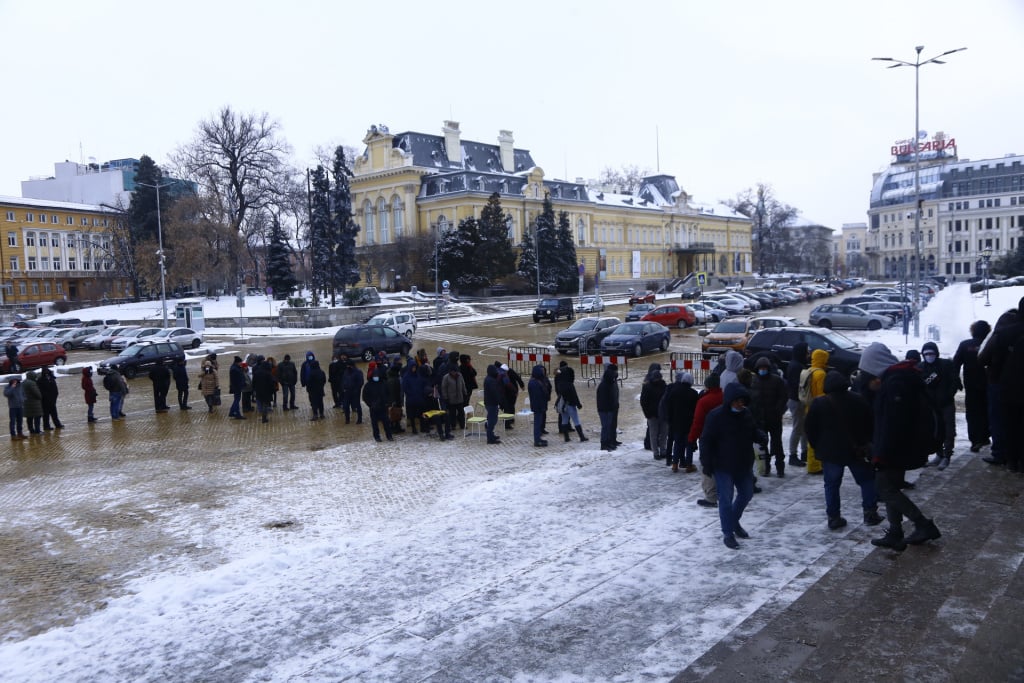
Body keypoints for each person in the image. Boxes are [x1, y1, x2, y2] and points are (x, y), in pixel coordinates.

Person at [857, 342, 942, 550]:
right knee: (891, 487)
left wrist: (880, 454)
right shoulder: (897, 378)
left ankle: (923, 524)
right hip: (901, 445)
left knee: (883, 488)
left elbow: (893, 423)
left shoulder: (895, 383)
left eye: (867, 374)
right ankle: (896, 532)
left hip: (897, 448)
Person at [805, 370, 884, 530]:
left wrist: (817, 446)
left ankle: (834, 517)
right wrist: (867, 443)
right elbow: (870, 424)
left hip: (830, 452)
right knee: (867, 481)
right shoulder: (858, 399)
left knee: (832, 485)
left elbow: (810, 428)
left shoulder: (819, 403)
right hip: (856, 450)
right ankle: (870, 513)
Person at [699, 382, 767, 549]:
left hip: (743, 464)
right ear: (729, 400)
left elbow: (753, 430)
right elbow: (706, 441)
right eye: (737, 401)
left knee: (746, 494)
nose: (740, 404)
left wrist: (760, 436)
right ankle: (728, 533)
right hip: (723, 465)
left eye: (742, 401)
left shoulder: (746, 414)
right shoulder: (715, 417)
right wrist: (706, 464)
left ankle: (733, 522)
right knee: (726, 499)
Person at [978, 299, 1024, 472]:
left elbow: (983, 358)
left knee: (1006, 423)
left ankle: (1008, 458)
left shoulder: (1004, 332)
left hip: (1005, 385)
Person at [918, 340, 960, 470]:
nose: (929, 356)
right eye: (926, 354)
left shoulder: (946, 365)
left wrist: (949, 395)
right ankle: (939, 453)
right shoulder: (920, 368)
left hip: (946, 403)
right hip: (931, 406)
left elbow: (955, 381)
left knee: (949, 430)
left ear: (936, 353)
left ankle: (947, 455)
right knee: (935, 431)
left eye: (931, 353)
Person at [952, 320, 991, 453]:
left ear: (973, 331)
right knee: (987, 410)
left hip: (971, 384)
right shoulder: (989, 344)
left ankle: (975, 440)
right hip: (988, 383)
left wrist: (956, 380)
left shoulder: (965, 345)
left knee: (973, 412)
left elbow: (955, 364)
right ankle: (985, 436)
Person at [749, 357, 788, 477]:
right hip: (761, 419)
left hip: (774, 418)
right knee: (763, 445)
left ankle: (780, 467)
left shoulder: (776, 381)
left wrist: (778, 410)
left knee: (777, 444)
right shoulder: (754, 381)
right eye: (760, 368)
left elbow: (783, 397)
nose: (762, 370)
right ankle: (766, 467)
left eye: (764, 368)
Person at [689, 373, 723, 506]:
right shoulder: (725, 397)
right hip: (724, 437)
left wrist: (692, 439)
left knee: (707, 466)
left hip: (707, 438)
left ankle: (711, 497)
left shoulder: (704, 401)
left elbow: (698, 422)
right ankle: (723, 491)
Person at [798, 349, 829, 475]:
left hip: (808, 407)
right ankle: (815, 465)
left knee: (811, 436)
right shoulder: (820, 374)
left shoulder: (809, 370)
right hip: (818, 409)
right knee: (817, 438)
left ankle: (813, 464)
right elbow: (821, 393)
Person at [661, 371, 698, 472]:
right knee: (689, 444)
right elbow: (696, 410)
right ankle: (689, 465)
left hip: (676, 423)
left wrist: (670, 419)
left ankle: (675, 464)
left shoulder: (674, 392)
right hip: (689, 423)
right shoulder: (693, 393)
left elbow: (669, 407)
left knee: (677, 443)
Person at [784, 342, 809, 468]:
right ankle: (793, 455)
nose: (808, 354)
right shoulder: (797, 366)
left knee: (803, 428)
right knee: (798, 428)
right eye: (806, 351)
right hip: (797, 400)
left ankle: (804, 452)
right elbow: (797, 385)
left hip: (796, 399)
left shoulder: (795, 364)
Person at [554, 361, 588, 443]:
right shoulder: (569, 384)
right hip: (570, 404)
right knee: (576, 420)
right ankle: (581, 437)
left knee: (564, 420)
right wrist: (578, 404)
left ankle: (566, 437)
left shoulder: (559, 382)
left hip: (562, 404)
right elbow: (574, 395)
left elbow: (557, 392)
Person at [640, 362, 668, 460]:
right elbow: (643, 401)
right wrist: (647, 414)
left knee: (663, 433)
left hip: (662, 415)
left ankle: (663, 450)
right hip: (653, 415)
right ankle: (656, 452)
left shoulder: (664, 386)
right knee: (654, 434)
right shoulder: (648, 387)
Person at [362, 366, 393, 441]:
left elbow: (389, 394)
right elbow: (365, 397)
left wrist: (388, 403)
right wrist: (370, 404)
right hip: (374, 408)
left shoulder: (384, 383)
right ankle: (377, 437)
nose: (376, 377)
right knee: (374, 424)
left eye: (377, 376)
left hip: (383, 407)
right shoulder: (368, 385)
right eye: (375, 376)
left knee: (386, 423)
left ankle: (389, 436)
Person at [440, 364, 468, 440]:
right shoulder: (446, 377)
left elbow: (463, 384)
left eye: (455, 371)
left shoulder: (460, 376)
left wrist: (465, 393)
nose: (454, 373)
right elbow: (444, 388)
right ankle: (453, 425)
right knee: (452, 413)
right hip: (451, 399)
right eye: (453, 371)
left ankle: (462, 424)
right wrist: (446, 397)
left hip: (459, 398)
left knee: (461, 412)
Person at [596, 363, 620, 451]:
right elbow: (604, 399)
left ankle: (608, 442)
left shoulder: (609, 384)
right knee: (605, 426)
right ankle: (604, 443)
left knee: (608, 426)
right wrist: (611, 407)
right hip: (605, 409)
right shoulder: (605, 385)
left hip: (609, 408)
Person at [528, 364, 551, 447]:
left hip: (538, 406)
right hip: (538, 406)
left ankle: (538, 439)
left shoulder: (534, 381)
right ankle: (537, 440)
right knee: (537, 423)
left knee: (538, 422)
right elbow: (538, 396)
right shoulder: (535, 383)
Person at [37, 366, 64, 430]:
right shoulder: (40, 380)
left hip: (52, 400)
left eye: (47, 372)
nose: (47, 374)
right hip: (45, 401)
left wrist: (54, 397)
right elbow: (40, 391)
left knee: (54, 413)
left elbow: (55, 389)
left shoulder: (52, 378)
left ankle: (57, 424)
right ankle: (46, 426)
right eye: (45, 373)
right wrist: (45, 397)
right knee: (46, 415)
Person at [251, 358, 275, 423]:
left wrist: (254, 390)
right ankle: (264, 418)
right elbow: (271, 383)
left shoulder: (256, 373)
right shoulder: (268, 373)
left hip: (258, 391)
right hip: (267, 391)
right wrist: (272, 391)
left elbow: (253, 382)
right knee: (265, 404)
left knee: (260, 403)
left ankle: (262, 415)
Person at [482, 364, 502, 444]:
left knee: (493, 420)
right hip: (491, 403)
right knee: (492, 421)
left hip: (490, 402)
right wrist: (500, 400)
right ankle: (490, 438)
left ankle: (491, 435)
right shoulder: (490, 380)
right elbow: (495, 392)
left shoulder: (489, 379)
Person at [22, 371, 43, 435]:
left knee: (29, 417)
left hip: (26, 403)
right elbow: (37, 393)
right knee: (37, 416)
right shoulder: (32, 383)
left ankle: (31, 430)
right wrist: (40, 396)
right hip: (34, 403)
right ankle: (37, 430)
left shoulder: (23, 383)